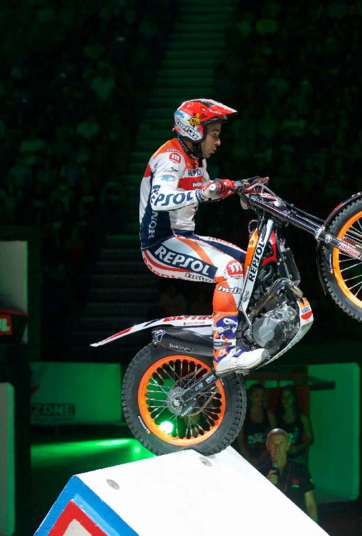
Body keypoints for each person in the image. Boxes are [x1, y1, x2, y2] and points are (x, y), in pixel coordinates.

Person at [138, 99, 266, 374]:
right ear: (195, 131)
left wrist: (237, 187)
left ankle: (237, 332)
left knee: (249, 264)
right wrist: (202, 193)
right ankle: (224, 354)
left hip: (184, 236)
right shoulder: (171, 157)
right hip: (160, 244)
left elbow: (206, 188)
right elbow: (160, 199)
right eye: (215, 134)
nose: (218, 142)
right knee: (230, 270)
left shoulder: (197, 159)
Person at [261, 428, 318, 522]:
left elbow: (310, 504)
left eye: (281, 443)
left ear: (288, 445)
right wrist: (265, 486)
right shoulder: (260, 473)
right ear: (268, 445)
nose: (277, 448)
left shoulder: (300, 470)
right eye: (273, 443)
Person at [237, 383, 277, 467]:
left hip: (265, 458)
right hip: (246, 458)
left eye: (263, 395)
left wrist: (260, 459)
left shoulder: (269, 415)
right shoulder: (243, 415)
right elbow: (240, 440)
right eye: (257, 395)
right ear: (251, 397)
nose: (260, 398)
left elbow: (273, 439)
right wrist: (249, 459)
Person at [275, 385, 314, 466]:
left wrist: (297, 448)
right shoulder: (277, 417)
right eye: (283, 397)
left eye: (289, 396)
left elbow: (310, 439)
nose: (286, 399)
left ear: (294, 399)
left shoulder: (302, 417)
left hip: (298, 457)